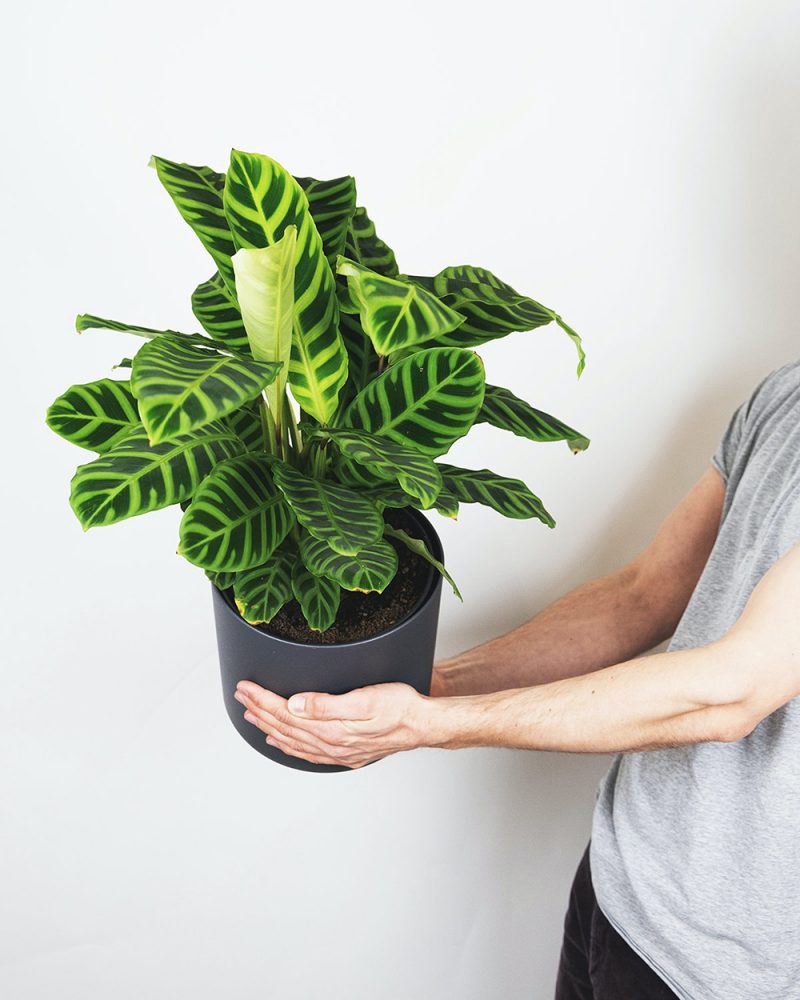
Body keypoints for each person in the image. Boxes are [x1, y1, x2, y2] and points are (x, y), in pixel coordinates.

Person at [234, 358, 800, 1000]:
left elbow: (733, 693)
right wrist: (438, 687)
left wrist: (434, 726)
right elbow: (641, 596)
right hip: (621, 886)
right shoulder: (786, 396)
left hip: (724, 971)